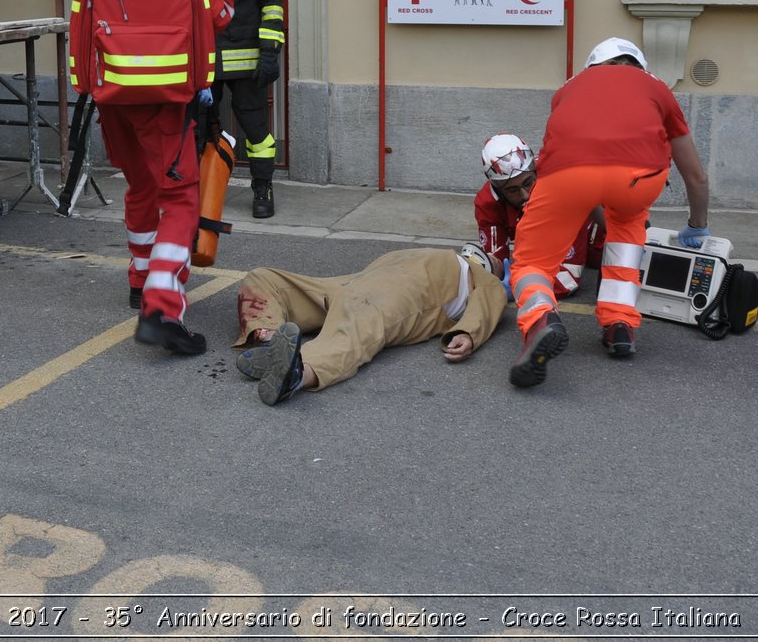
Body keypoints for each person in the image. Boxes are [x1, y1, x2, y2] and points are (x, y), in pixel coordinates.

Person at [506, 37, 712, 389]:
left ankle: (541, 319)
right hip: (638, 178)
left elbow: (570, 146)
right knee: (627, 229)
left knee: (532, 263)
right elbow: (696, 175)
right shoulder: (657, 87)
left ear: (592, 67)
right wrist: (697, 225)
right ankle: (620, 325)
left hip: (567, 175)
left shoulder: (568, 89)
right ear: (639, 65)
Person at [100, 0, 234, 355]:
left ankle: (139, 280)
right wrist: (228, 6)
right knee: (180, 198)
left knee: (140, 186)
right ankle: (161, 308)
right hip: (165, 93)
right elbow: (217, 12)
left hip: (114, 93)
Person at [234, 244, 508, 406]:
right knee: (267, 279)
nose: (497, 261)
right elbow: (488, 304)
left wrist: (468, 333)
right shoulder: (454, 261)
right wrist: (468, 334)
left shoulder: (481, 277)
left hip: (386, 292)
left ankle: (297, 371)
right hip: (361, 284)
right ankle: (272, 341)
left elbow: (487, 304)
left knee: (353, 331)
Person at [207, 0, 286, 219]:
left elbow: (272, 2)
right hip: (205, 62)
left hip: (246, 62)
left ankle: (262, 188)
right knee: (201, 130)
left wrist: (270, 52)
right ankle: (202, 191)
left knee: (256, 130)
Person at [474, 132, 602, 298]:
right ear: (497, 188)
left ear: (535, 170)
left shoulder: (561, 184)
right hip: (547, 244)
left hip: (597, 241)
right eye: (512, 190)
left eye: (528, 182)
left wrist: (516, 285)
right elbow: (495, 264)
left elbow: (568, 278)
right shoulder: (487, 202)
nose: (525, 195)